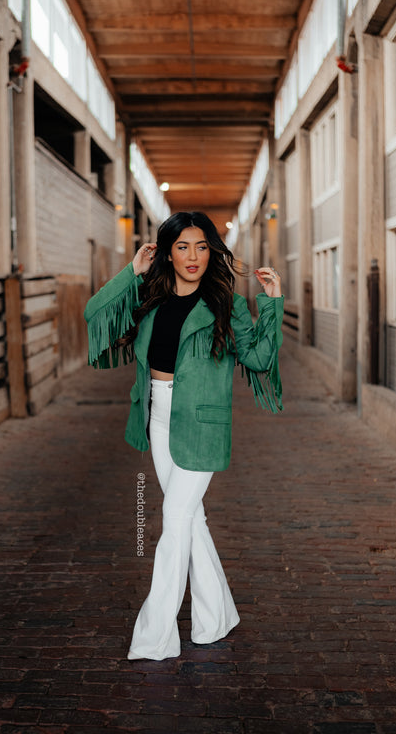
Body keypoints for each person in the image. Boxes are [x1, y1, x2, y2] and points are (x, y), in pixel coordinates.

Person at [84, 211, 283, 661]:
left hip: (202, 421)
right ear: (166, 253)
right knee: (192, 520)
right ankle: (216, 618)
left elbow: (257, 357)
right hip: (157, 413)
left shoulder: (225, 302)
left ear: (211, 251)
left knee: (174, 520)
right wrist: (130, 272)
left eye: (201, 246)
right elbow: (93, 314)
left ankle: (156, 635)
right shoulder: (150, 295)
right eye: (182, 247)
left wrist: (271, 303)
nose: (193, 256)